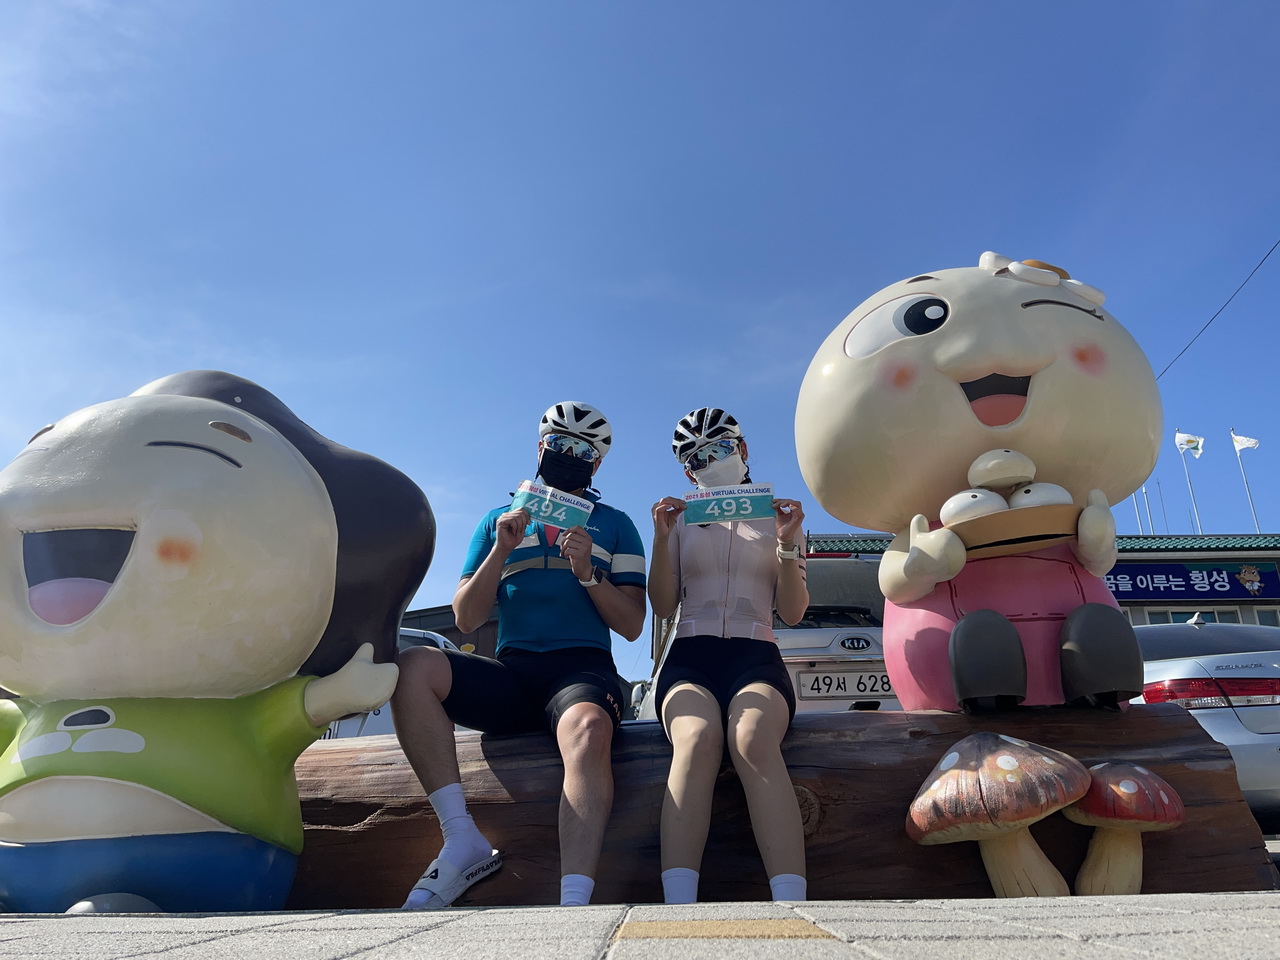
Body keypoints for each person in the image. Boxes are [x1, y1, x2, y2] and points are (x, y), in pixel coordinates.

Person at [392, 402, 646, 909]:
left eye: (583, 451)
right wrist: (501, 550)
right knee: (412, 667)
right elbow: (466, 617)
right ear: (540, 447)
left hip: (582, 670)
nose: (569, 456)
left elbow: (633, 624)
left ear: (598, 464)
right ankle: (460, 837)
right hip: (512, 672)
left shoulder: (617, 525)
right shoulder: (497, 520)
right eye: (560, 444)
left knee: (589, 728)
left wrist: (588, 573)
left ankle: (574, 901)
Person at [648, 407, 810, 904]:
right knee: (696, 738)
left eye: (719, 448)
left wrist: (787, 544)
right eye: (696, 457)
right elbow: (662, 605)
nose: (710, 461)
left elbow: (793, 612)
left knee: (753, 737)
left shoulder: (779, 517)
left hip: (756, 653)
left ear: (742, 449)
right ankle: (677, 909)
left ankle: (794, 905)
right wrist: (661, 538)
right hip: (690, 655)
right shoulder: (681, 519)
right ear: (687, 472)